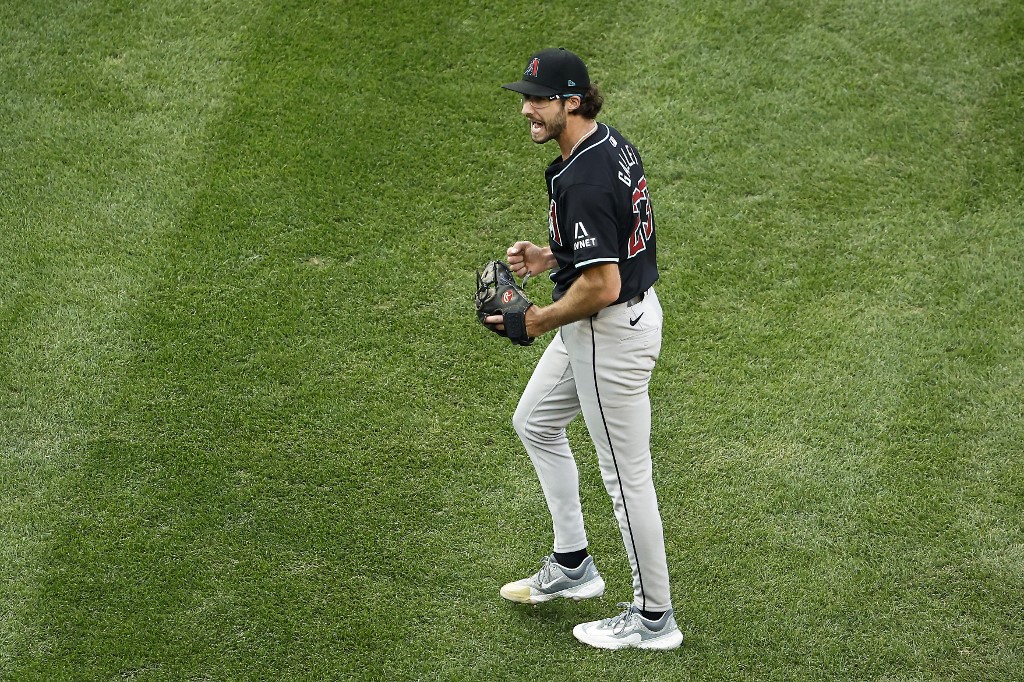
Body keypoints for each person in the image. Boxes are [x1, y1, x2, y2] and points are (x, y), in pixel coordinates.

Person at [485, 47, 682, 651]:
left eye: (539, 100)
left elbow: (603, 284)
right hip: (608, 322)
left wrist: (538, 319)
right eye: (525, 97)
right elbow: (609, 247)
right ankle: (574, 564)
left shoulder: (588, 178)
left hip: (607, 334)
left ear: (572, 101)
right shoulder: (605, 145)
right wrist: (553, 258)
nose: (527, 109)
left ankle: (654, 620)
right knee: (535, 421)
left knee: (627, 481)